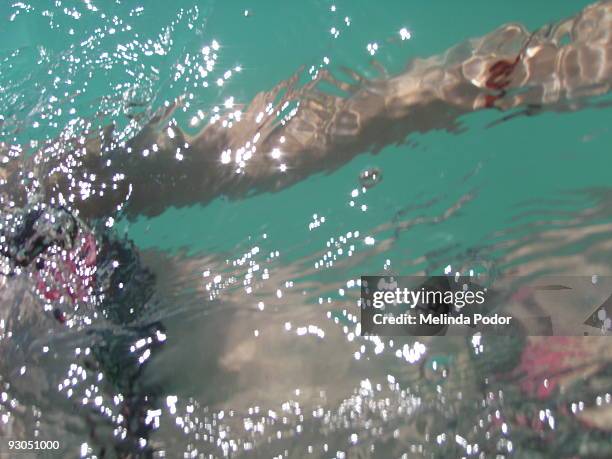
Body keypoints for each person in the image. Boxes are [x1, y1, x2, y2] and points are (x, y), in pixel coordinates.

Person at [1, 1, 612, 456]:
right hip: (181, 413)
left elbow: (233, 154)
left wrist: (503, 73)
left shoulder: (14, 183)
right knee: (516, 378)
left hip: (216, 318)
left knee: (512, 307)